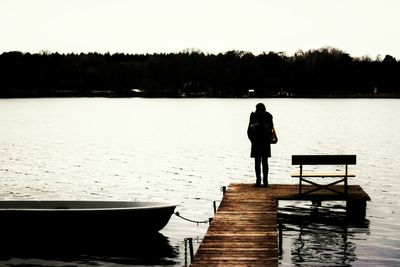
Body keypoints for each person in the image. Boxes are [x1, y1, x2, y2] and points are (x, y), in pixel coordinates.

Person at [247, 103, 274, 187]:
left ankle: (258, 181)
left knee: (257, 162)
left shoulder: (253, 116)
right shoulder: (269, 116)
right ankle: (265, 181)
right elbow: (271, 128)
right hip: (265, 142)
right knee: (265, 162)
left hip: (256, 142)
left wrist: (252, 140)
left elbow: (249, 131)